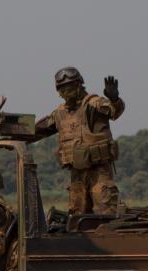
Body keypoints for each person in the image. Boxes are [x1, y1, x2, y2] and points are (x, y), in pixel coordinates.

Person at [34, 67, 125, 215]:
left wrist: (114, 99)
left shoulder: (93, 104)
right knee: (77, 215)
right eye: (62, 90)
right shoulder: (60, 113)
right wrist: (6, 128)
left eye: (69, 88)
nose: (66, 93)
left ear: (78, 85)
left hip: (99, 173)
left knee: (105, 212)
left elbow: (114, 111)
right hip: (76, 174)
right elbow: (34, 130)